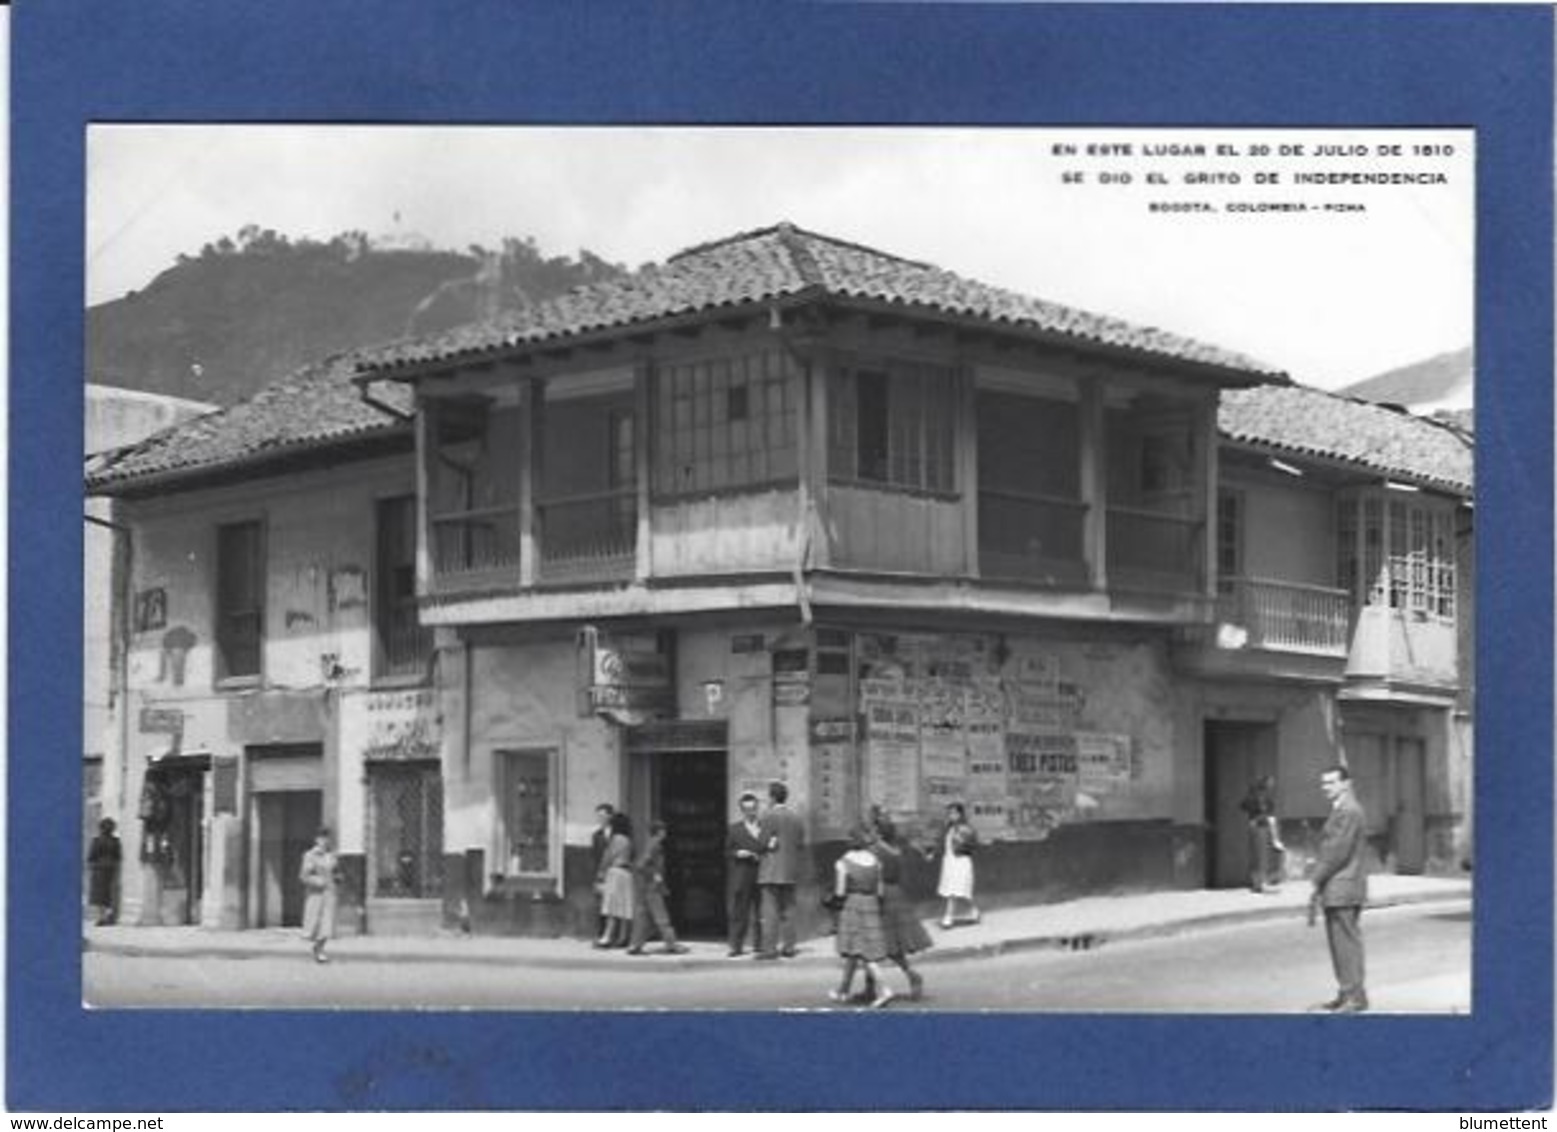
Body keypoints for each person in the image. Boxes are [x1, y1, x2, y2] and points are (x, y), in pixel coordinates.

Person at [1309, 764, 1370, 1013]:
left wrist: (1317, 876)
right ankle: (1348, 993)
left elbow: (1338, 851)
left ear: (1346, 783)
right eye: (1324, 783)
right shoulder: (1343, 809)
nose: (1326, 788)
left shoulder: (1348, 811)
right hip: (1340, 885)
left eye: (1332, 782)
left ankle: (1353, 996)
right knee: (1341, 943)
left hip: (1343, 884)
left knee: (1345, 943)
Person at [828, 825, 895, 1009]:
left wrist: (832, 903)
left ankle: (884, 989)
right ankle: (843, 991)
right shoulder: (876, 861)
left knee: (865, 954)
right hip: (872, 904)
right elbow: (880, 891)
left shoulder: (843, 862)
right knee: (855, 951)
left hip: (853, 906)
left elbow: (840, 892)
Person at [867, 809, 930, 1000]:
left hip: (881, 896)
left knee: (875, 943)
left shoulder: (875, 851)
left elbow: (872, 876)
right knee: (889, 944)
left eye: (874, 830)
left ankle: (911, 975)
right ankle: (872, 986)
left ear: (878, 833)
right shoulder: (895, 850)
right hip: (896, 894)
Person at [754, 781, 806, 960]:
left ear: (773, 797)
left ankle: (769, 949)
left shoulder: (768, 816)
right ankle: (789, 947)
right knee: (789, 910)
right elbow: (800, 844)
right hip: (790, 870)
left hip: (770, 869)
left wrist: (765, 845)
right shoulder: (796, 818)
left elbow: (761, 843)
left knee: (770, 912)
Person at [627, 821, 690, 955]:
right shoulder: (654, 844)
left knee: (643, 917)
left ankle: (635, 945)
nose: (665, 833)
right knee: (661, 917)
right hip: (653, 887)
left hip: (645, 886)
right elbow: (641, 864)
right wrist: (654, 874)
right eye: (663, 830)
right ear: (660, 831)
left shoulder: (650, 843)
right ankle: (671, 944)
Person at [725, 792, 765, 957]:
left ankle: (759, 944)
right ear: (742, 811)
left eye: (754, 808)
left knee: (761, 912)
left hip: (762, 873)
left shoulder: (765, 827)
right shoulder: (735, 829)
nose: (751, 812)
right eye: (747, 809)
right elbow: (727, 851)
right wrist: (737, 853)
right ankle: (736, 946)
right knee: (739, 911)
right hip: (742, 874)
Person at [934, 802, 981, 929]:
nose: (951, 815)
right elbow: (943, 844)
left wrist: (962, 845)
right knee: (959, 891)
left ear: (960, 814)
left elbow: (973, 845)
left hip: (961, 862)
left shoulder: (966, 828)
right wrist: (933, 854)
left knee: (955, 891)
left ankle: (948, 917)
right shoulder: (948, 828)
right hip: (949, 862)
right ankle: (974, 911)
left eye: (954, 813)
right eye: (950, 813)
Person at [594, 812, 635, 949]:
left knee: (611, 906)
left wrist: (600, 873)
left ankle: (606, 937)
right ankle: (623, 937)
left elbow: (608, 857)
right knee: (624, 906)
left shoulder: (616, 839)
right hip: (627, 873)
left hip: (615, 872)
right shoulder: (629, 840)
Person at [300, 827, 340, 964]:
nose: (324, 841)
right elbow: (304, 876)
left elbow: (335, 871)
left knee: (327, 923)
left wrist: (338, 877)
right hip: (316, 894)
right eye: (321, 838)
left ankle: (320, 948)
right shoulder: (310, 855)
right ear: (316, 840)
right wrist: (318, 881)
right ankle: (318, 949)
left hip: (330, 893)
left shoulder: (332, 855)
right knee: (315, 922)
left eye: (327, 838)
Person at [1240, 775, 1285, 893]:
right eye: (1270, 783)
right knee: (1260, 856)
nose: (1272, 785)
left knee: (1259, 856)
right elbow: (1268, 814)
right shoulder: (1260, 797)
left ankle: (1259, 882)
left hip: (1259, 826)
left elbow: (1243, 806)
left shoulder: (1260, 797)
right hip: (1261, 826)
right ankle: (1260, 882)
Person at [86, 818, 122, 926]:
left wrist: (91, 864)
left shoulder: (97, 841)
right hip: (112, 869)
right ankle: (108, 916)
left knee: (98, 895)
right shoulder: (116, 841)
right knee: (109, 893)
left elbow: (91, 856)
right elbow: (118, 856)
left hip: (99, 869)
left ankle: (101, 918)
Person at [590, 802, 616, 936]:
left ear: (610, 816)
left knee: (615, 906)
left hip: (616, 873)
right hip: (602, 874)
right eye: (598, 816)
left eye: (602, 816)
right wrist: (597, 877)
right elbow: (594, 857)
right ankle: (601, 934)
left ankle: (615, 935)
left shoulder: (618, 835)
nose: (600, 819)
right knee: (601, 906)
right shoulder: (596, 836)